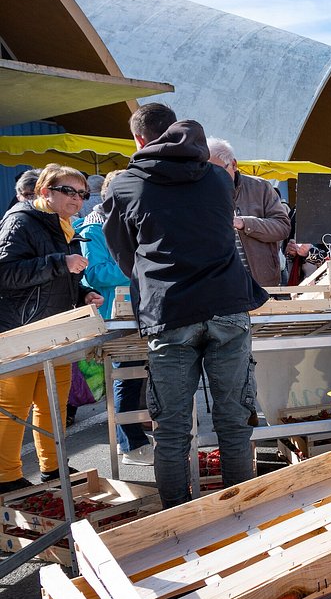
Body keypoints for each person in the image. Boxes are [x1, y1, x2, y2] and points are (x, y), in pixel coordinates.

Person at [102, 103, 268, 509]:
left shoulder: (124, 186)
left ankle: (178, 519)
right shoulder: (216, 176)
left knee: (173, 430)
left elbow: (124, 254)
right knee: (233, 424)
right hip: (227, 305)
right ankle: (239, 513)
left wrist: (153, 277)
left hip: (169, 311)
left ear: (139, 139)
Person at [0, 164, 104, 492]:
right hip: (21, 329)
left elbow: (62, 278)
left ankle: (53, 466)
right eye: (69, 191)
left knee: (53, 404)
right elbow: (6, 273)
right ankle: (5, 476)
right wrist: (59, 263)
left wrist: (82, 293)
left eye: (82, 193)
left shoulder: (64, 226)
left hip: (58, 328)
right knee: (12, 407)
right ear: (46, 192)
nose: (78, 199)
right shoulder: (20, 221)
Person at [79, 170, 154, 465]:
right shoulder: (92, 228)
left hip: (144, 310)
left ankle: (137, 437)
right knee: (125, 376)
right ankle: (130, 444)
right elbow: (95, 274)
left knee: (143, 376)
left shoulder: (133, 222)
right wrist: (142, 268)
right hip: (115, 315)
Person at [207, 138, 292, 289]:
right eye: (207, 171)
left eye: (218, 171)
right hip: (220, 288)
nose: (213, 177)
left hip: (260, 284)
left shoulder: (260, 187)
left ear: (234, 164)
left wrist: (244, 223)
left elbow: (283, 227)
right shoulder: (202, 192)